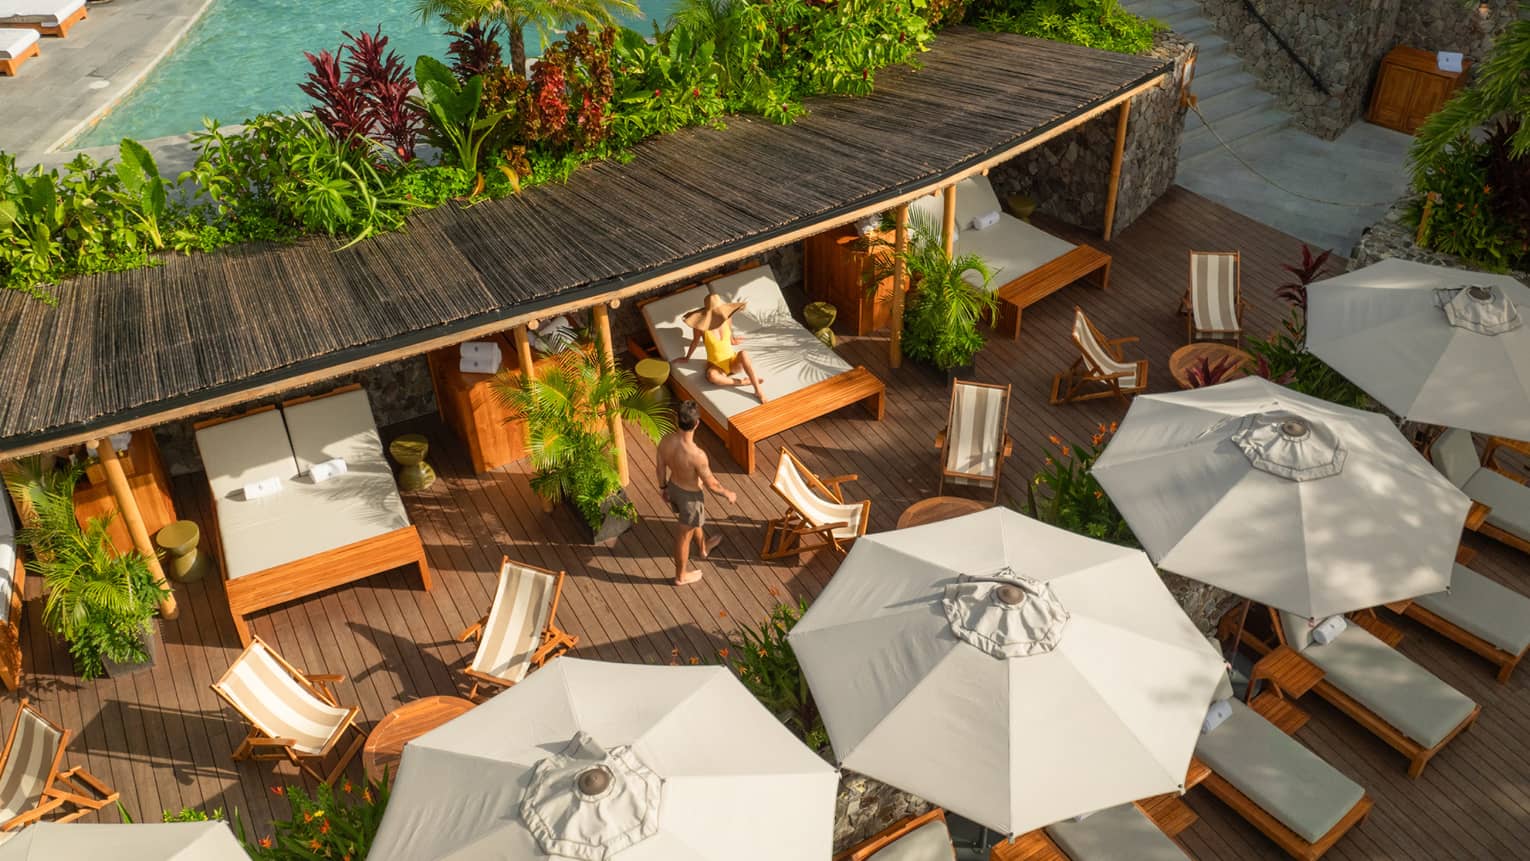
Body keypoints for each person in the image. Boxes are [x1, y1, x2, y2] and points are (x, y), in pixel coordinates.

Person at [656, 400, 736, 585]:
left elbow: (660, 467)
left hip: (673, 487)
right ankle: (680, 577)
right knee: (684, 538)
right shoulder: (697, 455)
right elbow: (712, 484)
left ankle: (703, 548)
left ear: (678, 421)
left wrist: (663, 488)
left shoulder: (666, 440)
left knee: (693, 523)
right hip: (691, 499)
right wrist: (728, 493)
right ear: (697, 424)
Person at [681, 293, 768, 403]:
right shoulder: (701, 327)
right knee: (712, 376)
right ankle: (742, 382)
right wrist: (687, 357)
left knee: (744, 354)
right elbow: (695, 341)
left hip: (732, 362)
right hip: (716, 367)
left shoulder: (727, 318)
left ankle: (758, 390)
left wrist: (734, 341)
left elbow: (730, 334)